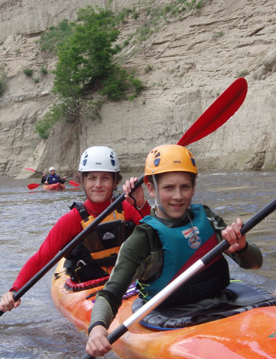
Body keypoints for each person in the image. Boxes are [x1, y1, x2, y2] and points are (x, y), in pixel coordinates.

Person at [85, 144, 263, 357]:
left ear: (194, 187)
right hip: (170, 317)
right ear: (152, 189)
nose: (178, 196)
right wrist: (97, 328)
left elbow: (254, 264)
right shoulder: (142, 239)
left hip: (222, 303)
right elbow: (111, 293)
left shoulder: (207, 218)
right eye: (169, 188)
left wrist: (242, 247)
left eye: (185, 187)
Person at [0, 146, 151, 312]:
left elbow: (157, 237)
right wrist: (15, 291)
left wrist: (141, 204)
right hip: (91, 286)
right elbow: (42, 258)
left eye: (105, 178)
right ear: (82, 181)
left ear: (115, 182)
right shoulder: (71, 220)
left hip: (128, 282)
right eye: (92, 178)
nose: (98, 185)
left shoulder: (126, 208)